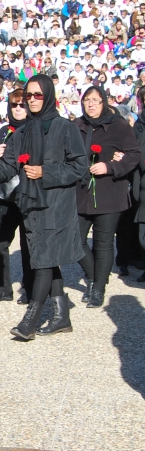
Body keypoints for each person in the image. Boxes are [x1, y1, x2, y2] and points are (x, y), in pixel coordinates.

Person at [0, 74, 87, 340]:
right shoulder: (22, 132)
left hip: (56, 204)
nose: (31, 100)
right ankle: (61, 316)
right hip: (30, 204)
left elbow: (79, 166)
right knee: (46, 257)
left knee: (42, 259)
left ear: (49, 96)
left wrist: (46, 171)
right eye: (28, 96)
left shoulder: (65, 127)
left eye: (37, 95)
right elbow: (8, 166)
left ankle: (31, 319)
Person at [74, 85, 141, 307]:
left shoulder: (118, 126)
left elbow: (133, 155)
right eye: (87, 100)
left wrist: (110, 166)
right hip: (80, 193)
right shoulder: (76, 125)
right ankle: (93, 277)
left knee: (102, 243)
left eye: (96, 100)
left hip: (109, 193)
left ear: (104, 102)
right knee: (75, 239)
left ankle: (98, 287)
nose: (91, 104)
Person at [0, 88, 34, 304]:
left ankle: (31, 287)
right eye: (14, 105)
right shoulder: (5, 129)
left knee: (28, 243)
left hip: (27, 193)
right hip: (5, 194)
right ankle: (2, 287)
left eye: (22, 104)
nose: (18, 108)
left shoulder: (34, 129)